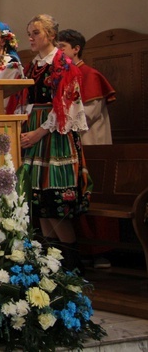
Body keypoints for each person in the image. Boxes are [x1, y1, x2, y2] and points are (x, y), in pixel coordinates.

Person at [20, 14, 92, 273]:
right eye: (29, 33)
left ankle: (73, 266)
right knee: (41, 205)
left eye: (36, 33)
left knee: (55, 204)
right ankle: (53, 267)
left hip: (54, 135)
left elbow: (65, 104)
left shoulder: (63, 64)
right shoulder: (33, 65)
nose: (31, 37)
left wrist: (39, 132)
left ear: (51, 35)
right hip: (35, 131)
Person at [57, 28, 118, 269]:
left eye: (62, 47)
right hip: (70, 145)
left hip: (92, 145)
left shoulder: (89, 74)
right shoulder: (63, 74)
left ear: (75, 48)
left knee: (91, 198)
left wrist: (56, 125)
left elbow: (89, 114)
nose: (59, 53)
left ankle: (102, 251)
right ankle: (82, 249)